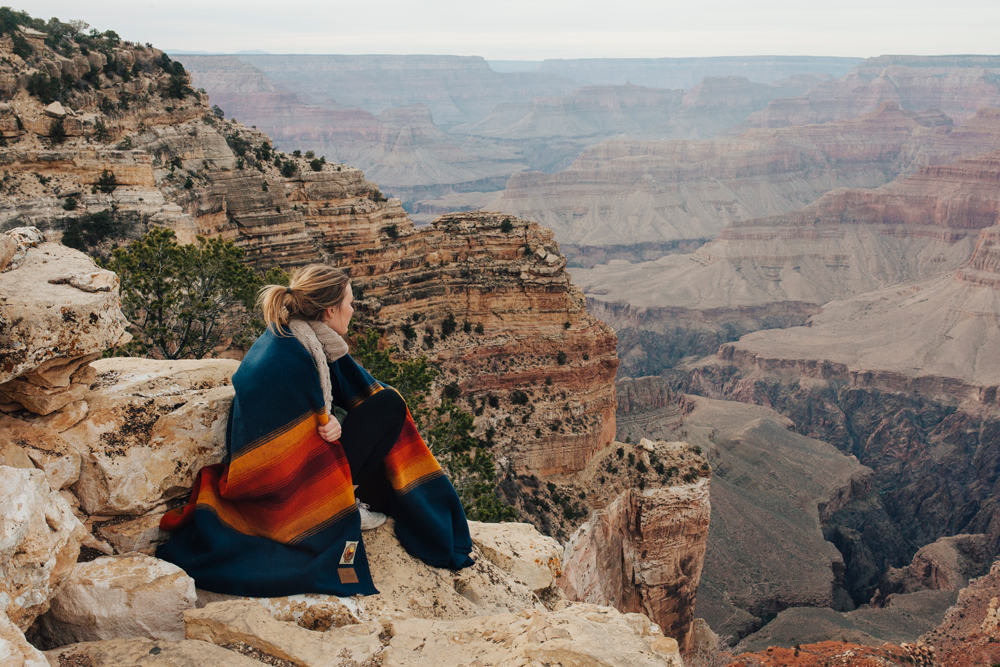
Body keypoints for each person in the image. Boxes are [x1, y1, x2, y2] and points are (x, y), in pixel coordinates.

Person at [156, 264, 474, 598]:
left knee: (386, 404)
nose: (354, 309)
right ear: (330, 309)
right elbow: (290, 448)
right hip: (283, 491)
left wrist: (327, 420)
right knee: (389, 406)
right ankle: (343, 501)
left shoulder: (299, 337)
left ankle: (352, 495)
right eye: (350, 302)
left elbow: (338, 401)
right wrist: (325, 425)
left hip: (294, 466)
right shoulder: (290, 358)